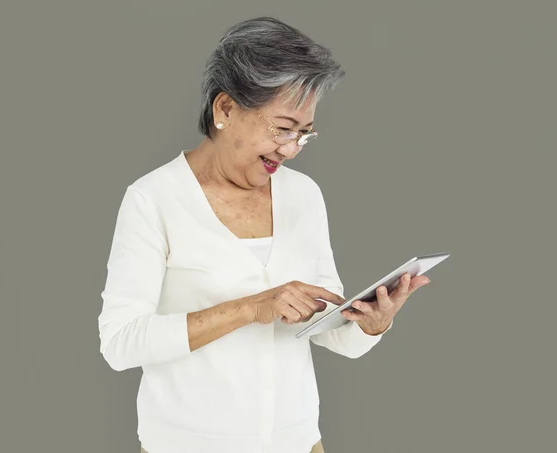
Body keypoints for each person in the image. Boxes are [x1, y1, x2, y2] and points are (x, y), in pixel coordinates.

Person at [97, 16, 430, 453]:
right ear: (225, 109)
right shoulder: (153, 199)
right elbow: (121, 343)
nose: (291, 149)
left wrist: (371, 324)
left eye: (304, 134)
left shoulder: (304, 196)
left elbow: (328, 330)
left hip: (299, 444)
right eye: (282, 128)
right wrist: (250, 308)